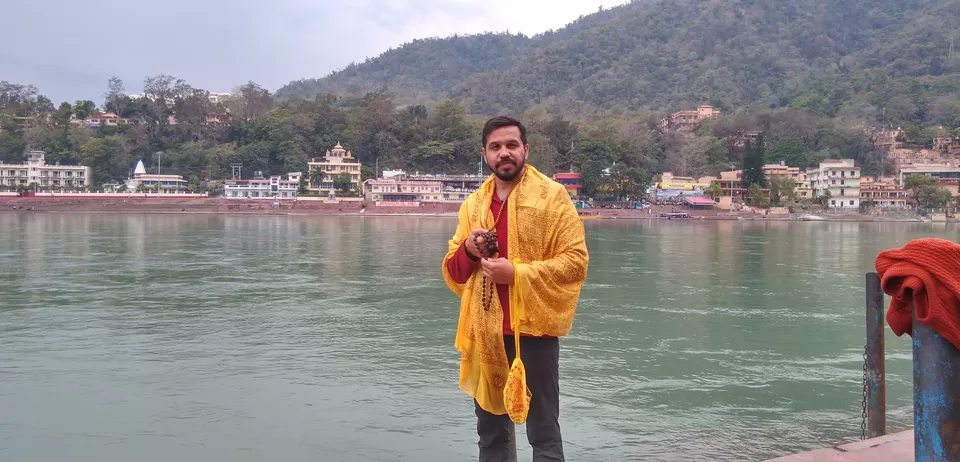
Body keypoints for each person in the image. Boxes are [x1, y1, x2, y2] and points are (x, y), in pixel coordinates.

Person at [441, 115, 589, 461]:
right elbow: (454, 270)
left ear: (526, 149)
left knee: (544, 434)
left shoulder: (552, 197)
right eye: (495, 147)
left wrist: (517, 274)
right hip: (486, 334)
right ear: (485, 154)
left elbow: (576, 261)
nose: (504, 153)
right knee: (491, 435)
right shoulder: (474, 205)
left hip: (534, 333)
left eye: (511, 145)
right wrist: (468, 250)